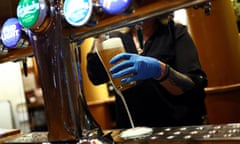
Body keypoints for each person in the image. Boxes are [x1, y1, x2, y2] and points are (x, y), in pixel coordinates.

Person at [86, 15, 208, 128]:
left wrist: (160, 70)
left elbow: (193, 85)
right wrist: (98, 34)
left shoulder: (174, 31)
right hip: (131, 129)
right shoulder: (117, 38)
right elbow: (96, 77)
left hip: (173, 125)